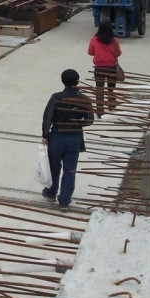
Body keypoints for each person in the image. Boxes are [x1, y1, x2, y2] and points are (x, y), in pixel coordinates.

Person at [41, 68, 94, 210]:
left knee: (54, 166)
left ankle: (51, 193)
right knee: (70, 170)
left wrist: (45, 135)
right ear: (77, 81)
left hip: (57, 136)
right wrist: (77, 123)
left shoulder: (56, 97)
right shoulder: (85, 99)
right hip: (74, 138)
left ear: (62, 81)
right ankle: (64, 200)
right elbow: (90, 120)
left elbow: (47, 118)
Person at [88, 20, 122, 116]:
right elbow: (118, 53)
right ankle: (111, 106)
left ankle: (100, 111)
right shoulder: (114, 40)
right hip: (111, 68)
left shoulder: (94, 40)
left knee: (99, 90)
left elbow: (90, 52)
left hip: (99, 68)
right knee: (111, 89)